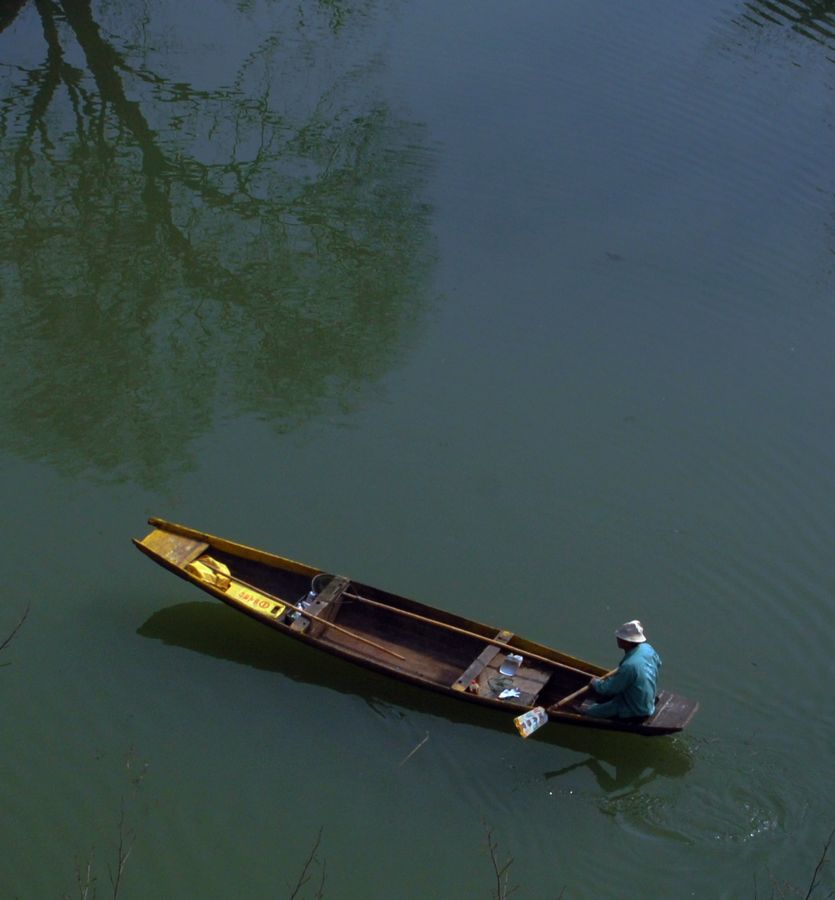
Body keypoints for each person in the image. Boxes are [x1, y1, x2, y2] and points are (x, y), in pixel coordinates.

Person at [582, 619, 661, 720]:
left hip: (635, 709)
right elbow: (658, 664)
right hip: (646, 700)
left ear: (627, 642)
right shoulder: (648, 648)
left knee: (589, 712)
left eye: (620, 638)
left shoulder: (629, 666)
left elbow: (608, 689)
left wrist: (595, 683)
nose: (617, 639)